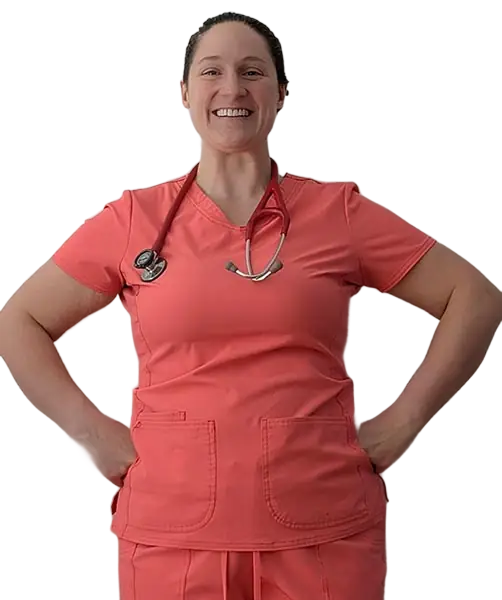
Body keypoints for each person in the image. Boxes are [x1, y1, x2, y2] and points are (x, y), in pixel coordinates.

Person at [2, 10, 450, 600]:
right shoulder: (133, 218)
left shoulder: (339, 212)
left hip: (324, 529)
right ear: (184, 94)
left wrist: (404, 421)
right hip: (171, 535)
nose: (232, 88)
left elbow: (473, 297)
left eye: (252, 72)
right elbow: (20, 320)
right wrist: (88, 431)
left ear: (281, 94)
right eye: (211, 72)